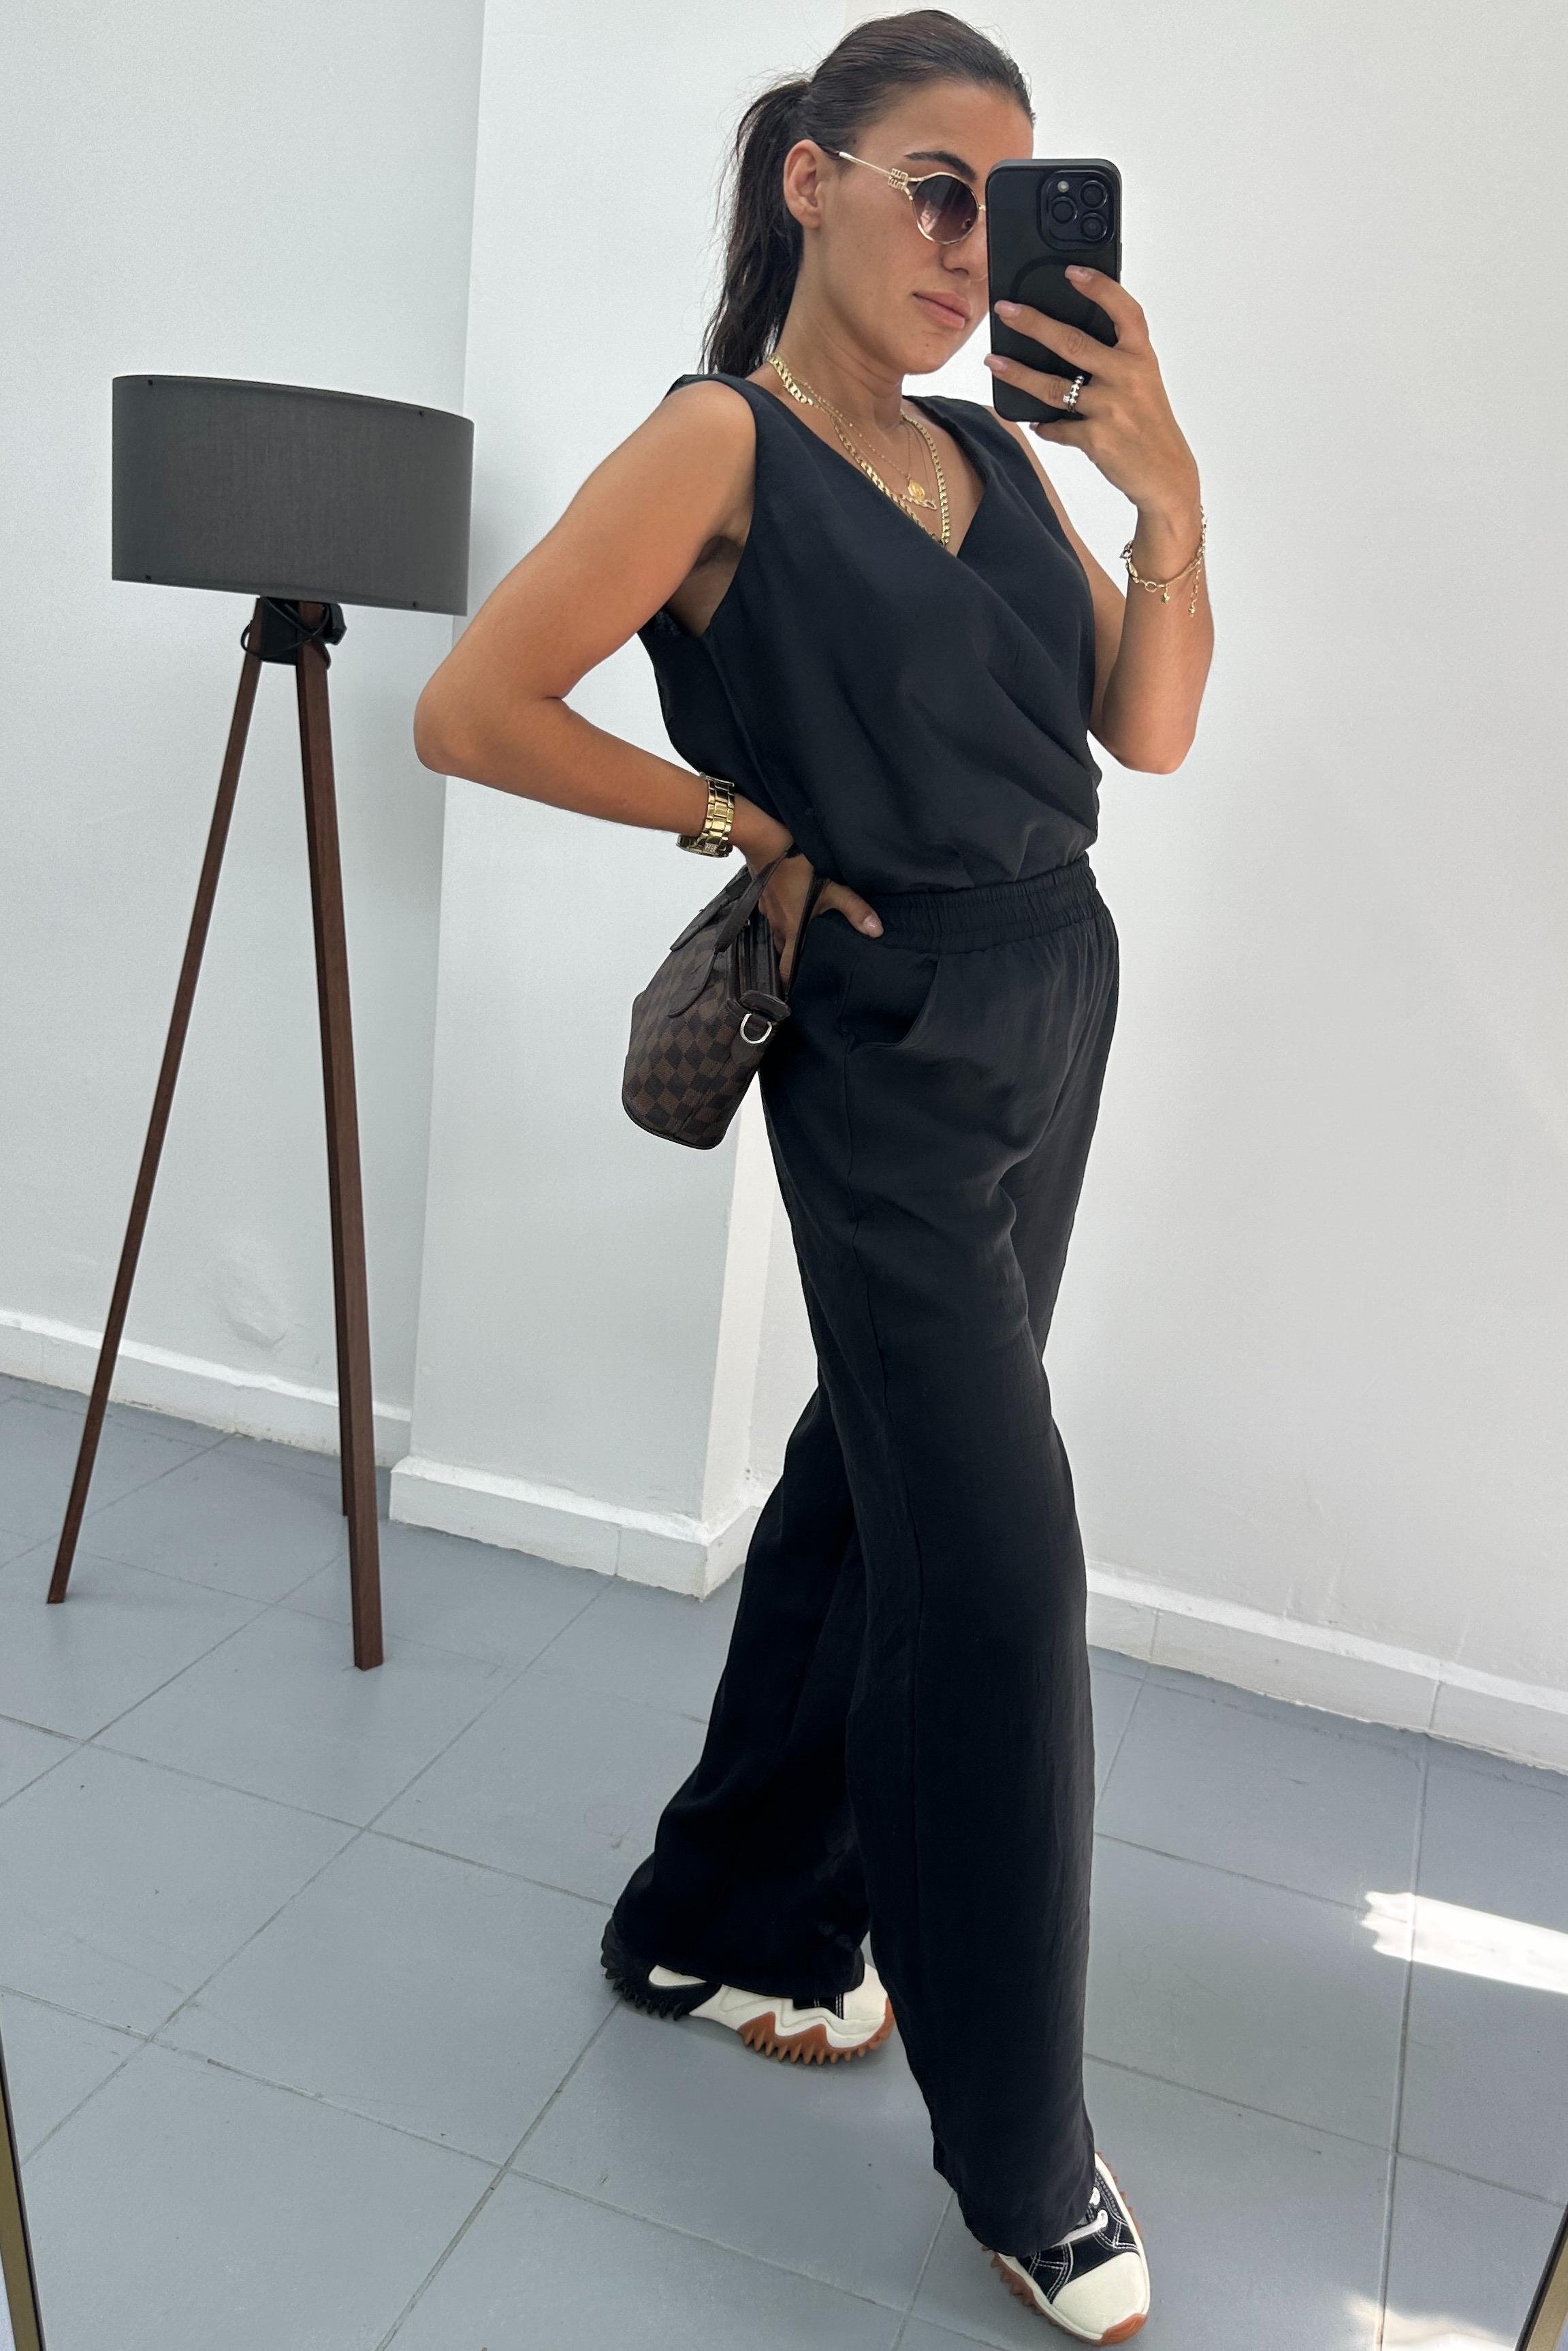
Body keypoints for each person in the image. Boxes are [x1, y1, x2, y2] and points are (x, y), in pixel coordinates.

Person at [413, 10, 1211, 2339]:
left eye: (1011, 209)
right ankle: (1023, 2153)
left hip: (1055, 990)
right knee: (1002, 1575)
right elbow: (473, 704)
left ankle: (720, 1914)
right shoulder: (718, 442)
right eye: (942, 191)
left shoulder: (997, 451)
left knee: (877, 1479)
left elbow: (1147, 730)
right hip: (885, 1032)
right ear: (814, 183)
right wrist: (738, 818)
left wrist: (1168, 500)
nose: (975, 249)